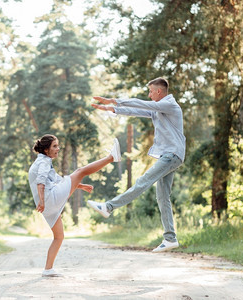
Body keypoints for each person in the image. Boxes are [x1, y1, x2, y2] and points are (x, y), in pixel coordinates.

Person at [88, 77, 186, 253]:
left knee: (143, 181)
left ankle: (109, 207)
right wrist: (113, 109)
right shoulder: (158, 109)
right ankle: (170, 238)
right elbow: (136, 110)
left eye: (150, 91)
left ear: (159, 91)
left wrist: (115, 100)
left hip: (172, 154)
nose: (149, 95)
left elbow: (143, 104)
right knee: (163, 196)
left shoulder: (169, 105)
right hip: (170, 155)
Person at [28, 134, 121, 277]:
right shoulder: (44, 162)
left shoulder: (42, 161)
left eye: (58, 145)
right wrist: (42, 200)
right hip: (48, 200)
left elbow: (57, 180)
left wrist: (80, 185)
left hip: (48, 206)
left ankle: (48, 269)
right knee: (80, 171)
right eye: (55, 146)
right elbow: (40, 182)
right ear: (46, 150)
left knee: (59, 236)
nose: (58, 149)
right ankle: (111, 157)